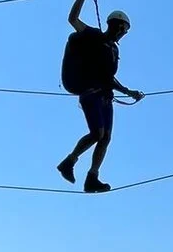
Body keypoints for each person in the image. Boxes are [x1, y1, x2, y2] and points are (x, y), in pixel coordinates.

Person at [57, 1, 144, 193]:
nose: (124, 33)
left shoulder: (114, 50)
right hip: (91, 93)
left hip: (105, 96)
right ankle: (69, 161)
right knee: (97, 134)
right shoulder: (93, 36)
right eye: (124, 29)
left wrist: (129, 92)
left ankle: (92, 178)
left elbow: (109, 78)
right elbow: (73, 19)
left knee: (105, 138)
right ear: (116, 25)